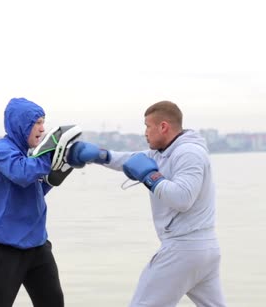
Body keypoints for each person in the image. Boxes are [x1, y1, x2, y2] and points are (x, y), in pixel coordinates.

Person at [67, 100, 226, 307]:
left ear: (163, 127)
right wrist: (100, 156)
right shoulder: (164, 152)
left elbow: (183, 198)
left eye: (148, 126)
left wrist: (151, 177)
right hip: (204, 250)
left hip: (183, 249)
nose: (145, 133)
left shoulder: (188, 153)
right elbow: (130, 159)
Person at [0, 97, 65, 307]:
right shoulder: (1, 151)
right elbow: (23, 174)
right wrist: (49, 154)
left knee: (53, 303)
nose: (42, 129)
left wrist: (58, 170)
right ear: (21, 123)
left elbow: (33, 191)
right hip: (4, 246)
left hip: (37, 244)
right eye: (37, 122)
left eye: (43, 122)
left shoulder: (29, 154)